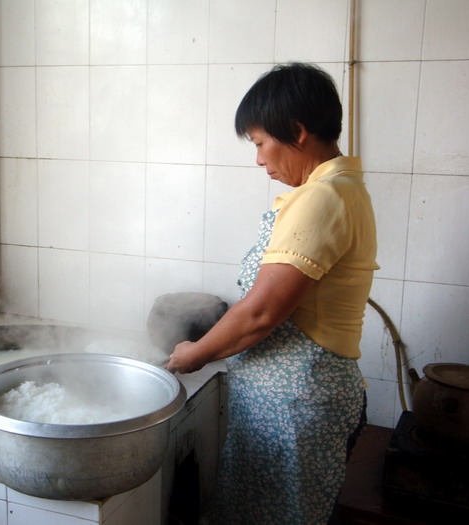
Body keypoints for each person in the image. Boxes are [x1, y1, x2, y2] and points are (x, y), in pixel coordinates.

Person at [166, 62, 378, 524]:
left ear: (298, 132)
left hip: (296, 403)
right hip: (288, 401)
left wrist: (194, 354)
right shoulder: (341, 187)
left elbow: (261, 312)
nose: (259, 159)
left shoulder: (322, 197)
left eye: (260, 143)